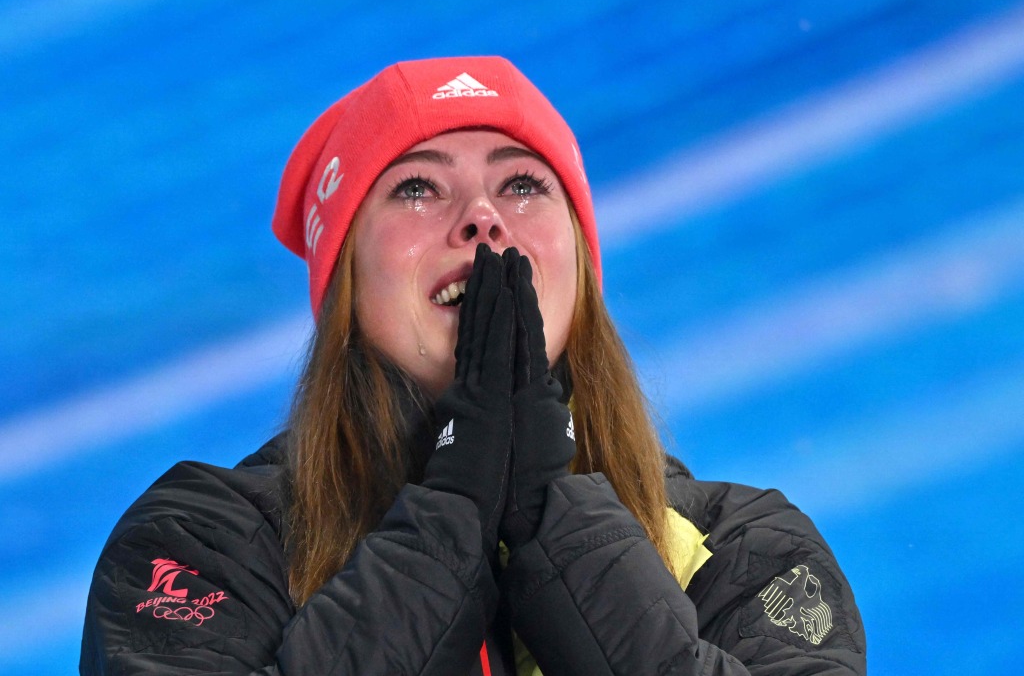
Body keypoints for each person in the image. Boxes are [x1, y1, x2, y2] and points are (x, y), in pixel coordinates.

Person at [81, 56, 866, 675]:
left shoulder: (744, 546)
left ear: (582, 271)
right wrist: (452, 508)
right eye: (417, 187)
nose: (483, 217)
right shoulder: (203, 542)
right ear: (345, 280)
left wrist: (553, 512)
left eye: (522, 183)